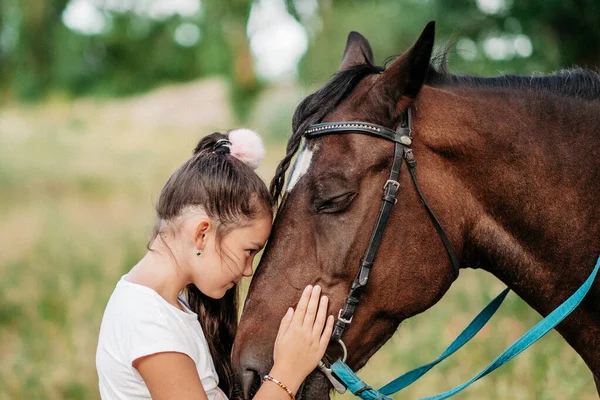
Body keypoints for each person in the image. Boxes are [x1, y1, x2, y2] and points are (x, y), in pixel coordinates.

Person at [96, 129, 334, 400]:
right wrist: (288, 371)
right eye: (248, 251)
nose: (248, 270)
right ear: (202, 234)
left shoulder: (164, 309)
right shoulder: (148, 323)